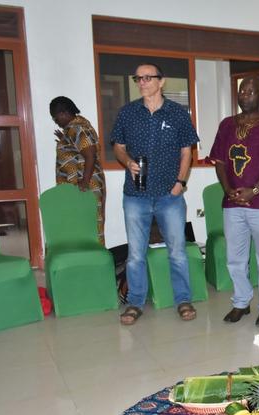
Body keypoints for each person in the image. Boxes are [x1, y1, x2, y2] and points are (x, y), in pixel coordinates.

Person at [111, 63, 199, 325]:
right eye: (138, 78)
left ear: (161, 81)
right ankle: (136, 303)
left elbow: (187, 152)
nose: (142, 82)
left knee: (177, 252)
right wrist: (126, 161)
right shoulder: (127, 113)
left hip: (169, 196)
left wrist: (180, 182)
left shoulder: (177, 114)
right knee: (136, 254)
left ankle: (183, 299)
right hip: (135, 196)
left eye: (148, 77)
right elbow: (118, 146)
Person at [208, 77, 259, 325]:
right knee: (236, 258)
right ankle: (241, 303)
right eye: (242, 91)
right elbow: (219, 162)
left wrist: (253, 190)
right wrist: (228, 189)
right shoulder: (226, 125)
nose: (245, 95)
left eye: (251, 91)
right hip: (232, 203)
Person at [50, 96, 106, 245]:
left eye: (56, 118)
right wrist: (65, 139)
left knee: (88, 225)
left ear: (63, 113)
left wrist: (84, 182)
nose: (57, 122)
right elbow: (81, 150)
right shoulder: (75, 128)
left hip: (85, 185)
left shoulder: (77, 128)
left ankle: (94, 262)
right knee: (84, 225)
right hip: (82, 184)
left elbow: (90, 155)